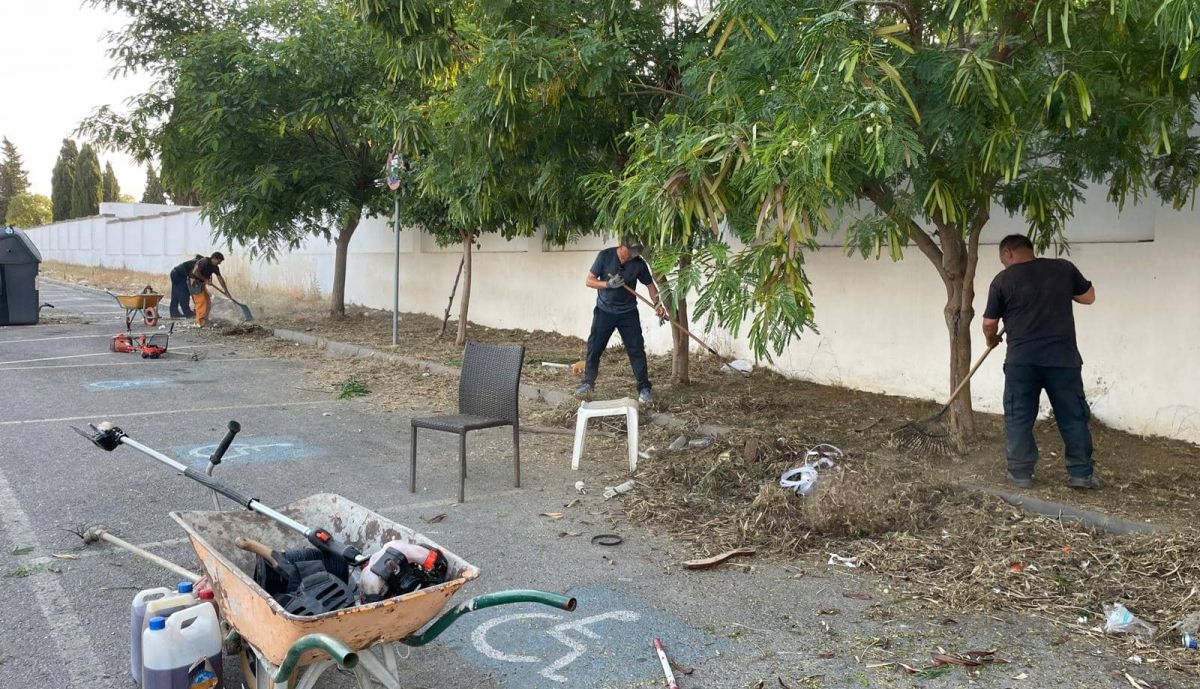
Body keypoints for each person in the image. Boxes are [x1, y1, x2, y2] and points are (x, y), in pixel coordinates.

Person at [982, 234, 1097, 490]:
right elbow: (1088, 297)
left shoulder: (1003, 280)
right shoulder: (1063, 269)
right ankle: (1081, 474)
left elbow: (990, 323)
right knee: (1072, 416)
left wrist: (991, 340)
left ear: (1009, 253)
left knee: (1019, 417)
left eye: (1003, 259)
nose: (1004, 265)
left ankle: (1020, 474)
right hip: (1063, 361)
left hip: (1022, 362)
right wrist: (1061, 292)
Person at [576, 240, 667, 404]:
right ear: (621, 245)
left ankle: (644, 388)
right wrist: (607, 284)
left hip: (628, 312)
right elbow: (589, 280)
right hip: (604, 311)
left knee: (636, 349)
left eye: (636, 252)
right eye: (630, 251)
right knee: (594, 347)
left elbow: (650, 285)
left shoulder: (638, 264)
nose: (633, 255)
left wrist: (658, 305)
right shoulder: (605, 256)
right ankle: (588, 383)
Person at [189, 252, 233, 327]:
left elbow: (220, 278)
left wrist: (226, 291)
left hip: (201, 283)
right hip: (194, 282)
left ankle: (205, 319)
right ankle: (199, 322)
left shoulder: (215, 267)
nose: (219, 263)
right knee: (202, 301)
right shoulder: (204, 261)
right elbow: (195, 272)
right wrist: (206, 280)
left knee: (208, 301)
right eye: (219, 261)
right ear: (215, 258)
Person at [168, 254, 203, 319]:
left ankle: (174, 313)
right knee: (184, 294)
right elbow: (193, 275)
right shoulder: (197, 263)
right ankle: (188, 313)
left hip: (174, 273)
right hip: (179, 275)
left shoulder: (193, 262)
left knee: (175, 294)